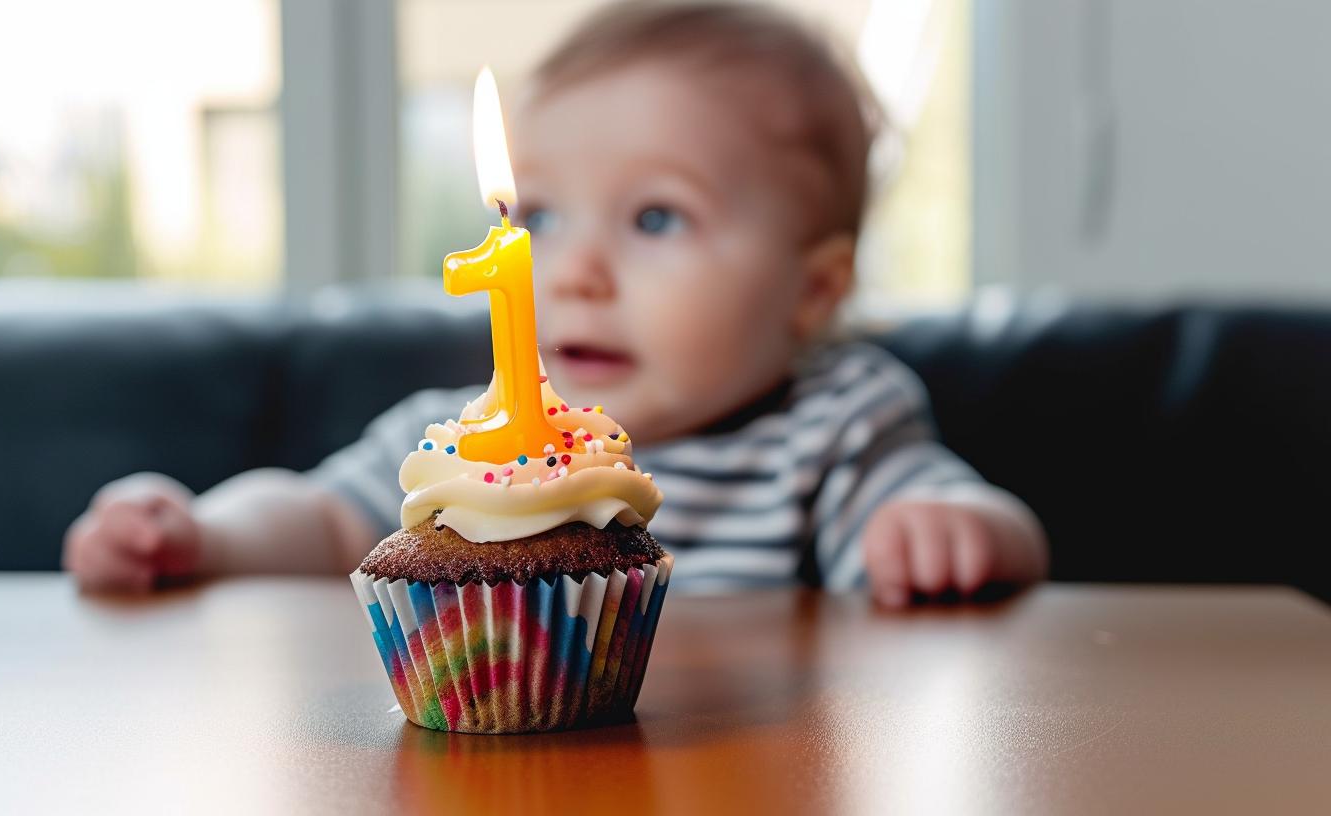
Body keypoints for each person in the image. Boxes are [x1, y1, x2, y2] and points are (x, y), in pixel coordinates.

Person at [64, 1, 1046, 607]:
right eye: (541, 217)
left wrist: (945, 528)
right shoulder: (468, 444)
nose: (570, 272)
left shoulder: (829, 430)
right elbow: (320, 520)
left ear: (813, 288)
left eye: (655, 219)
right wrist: (203, 534)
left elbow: (941, 502)